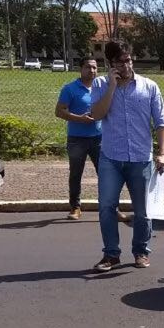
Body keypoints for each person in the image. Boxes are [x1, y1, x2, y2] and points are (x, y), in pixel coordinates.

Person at [88, 42, 164, 270]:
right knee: (106, 207)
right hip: (111, 158)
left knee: (143, 211)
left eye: (129, 60)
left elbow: (161, 123)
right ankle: (111, 255)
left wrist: (163, 153)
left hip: (141, 159)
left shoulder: (149, 86)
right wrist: (112, 87)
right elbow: (96, 115)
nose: (126, 65)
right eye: (120, 62)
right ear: (110, 64)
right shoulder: (100, 84)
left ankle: (141, 251)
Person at [55, 57, 102, 220]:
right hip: (77, 139)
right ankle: (75, 207)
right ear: (80, 69)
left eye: (95, 67)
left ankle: (110, 208)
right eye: (88, 67)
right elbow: (59, 111)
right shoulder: (70, 89)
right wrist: (79, 119)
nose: (92, 71)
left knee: (106, 174)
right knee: (76, 174)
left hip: (99, 138)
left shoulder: (101, 88)